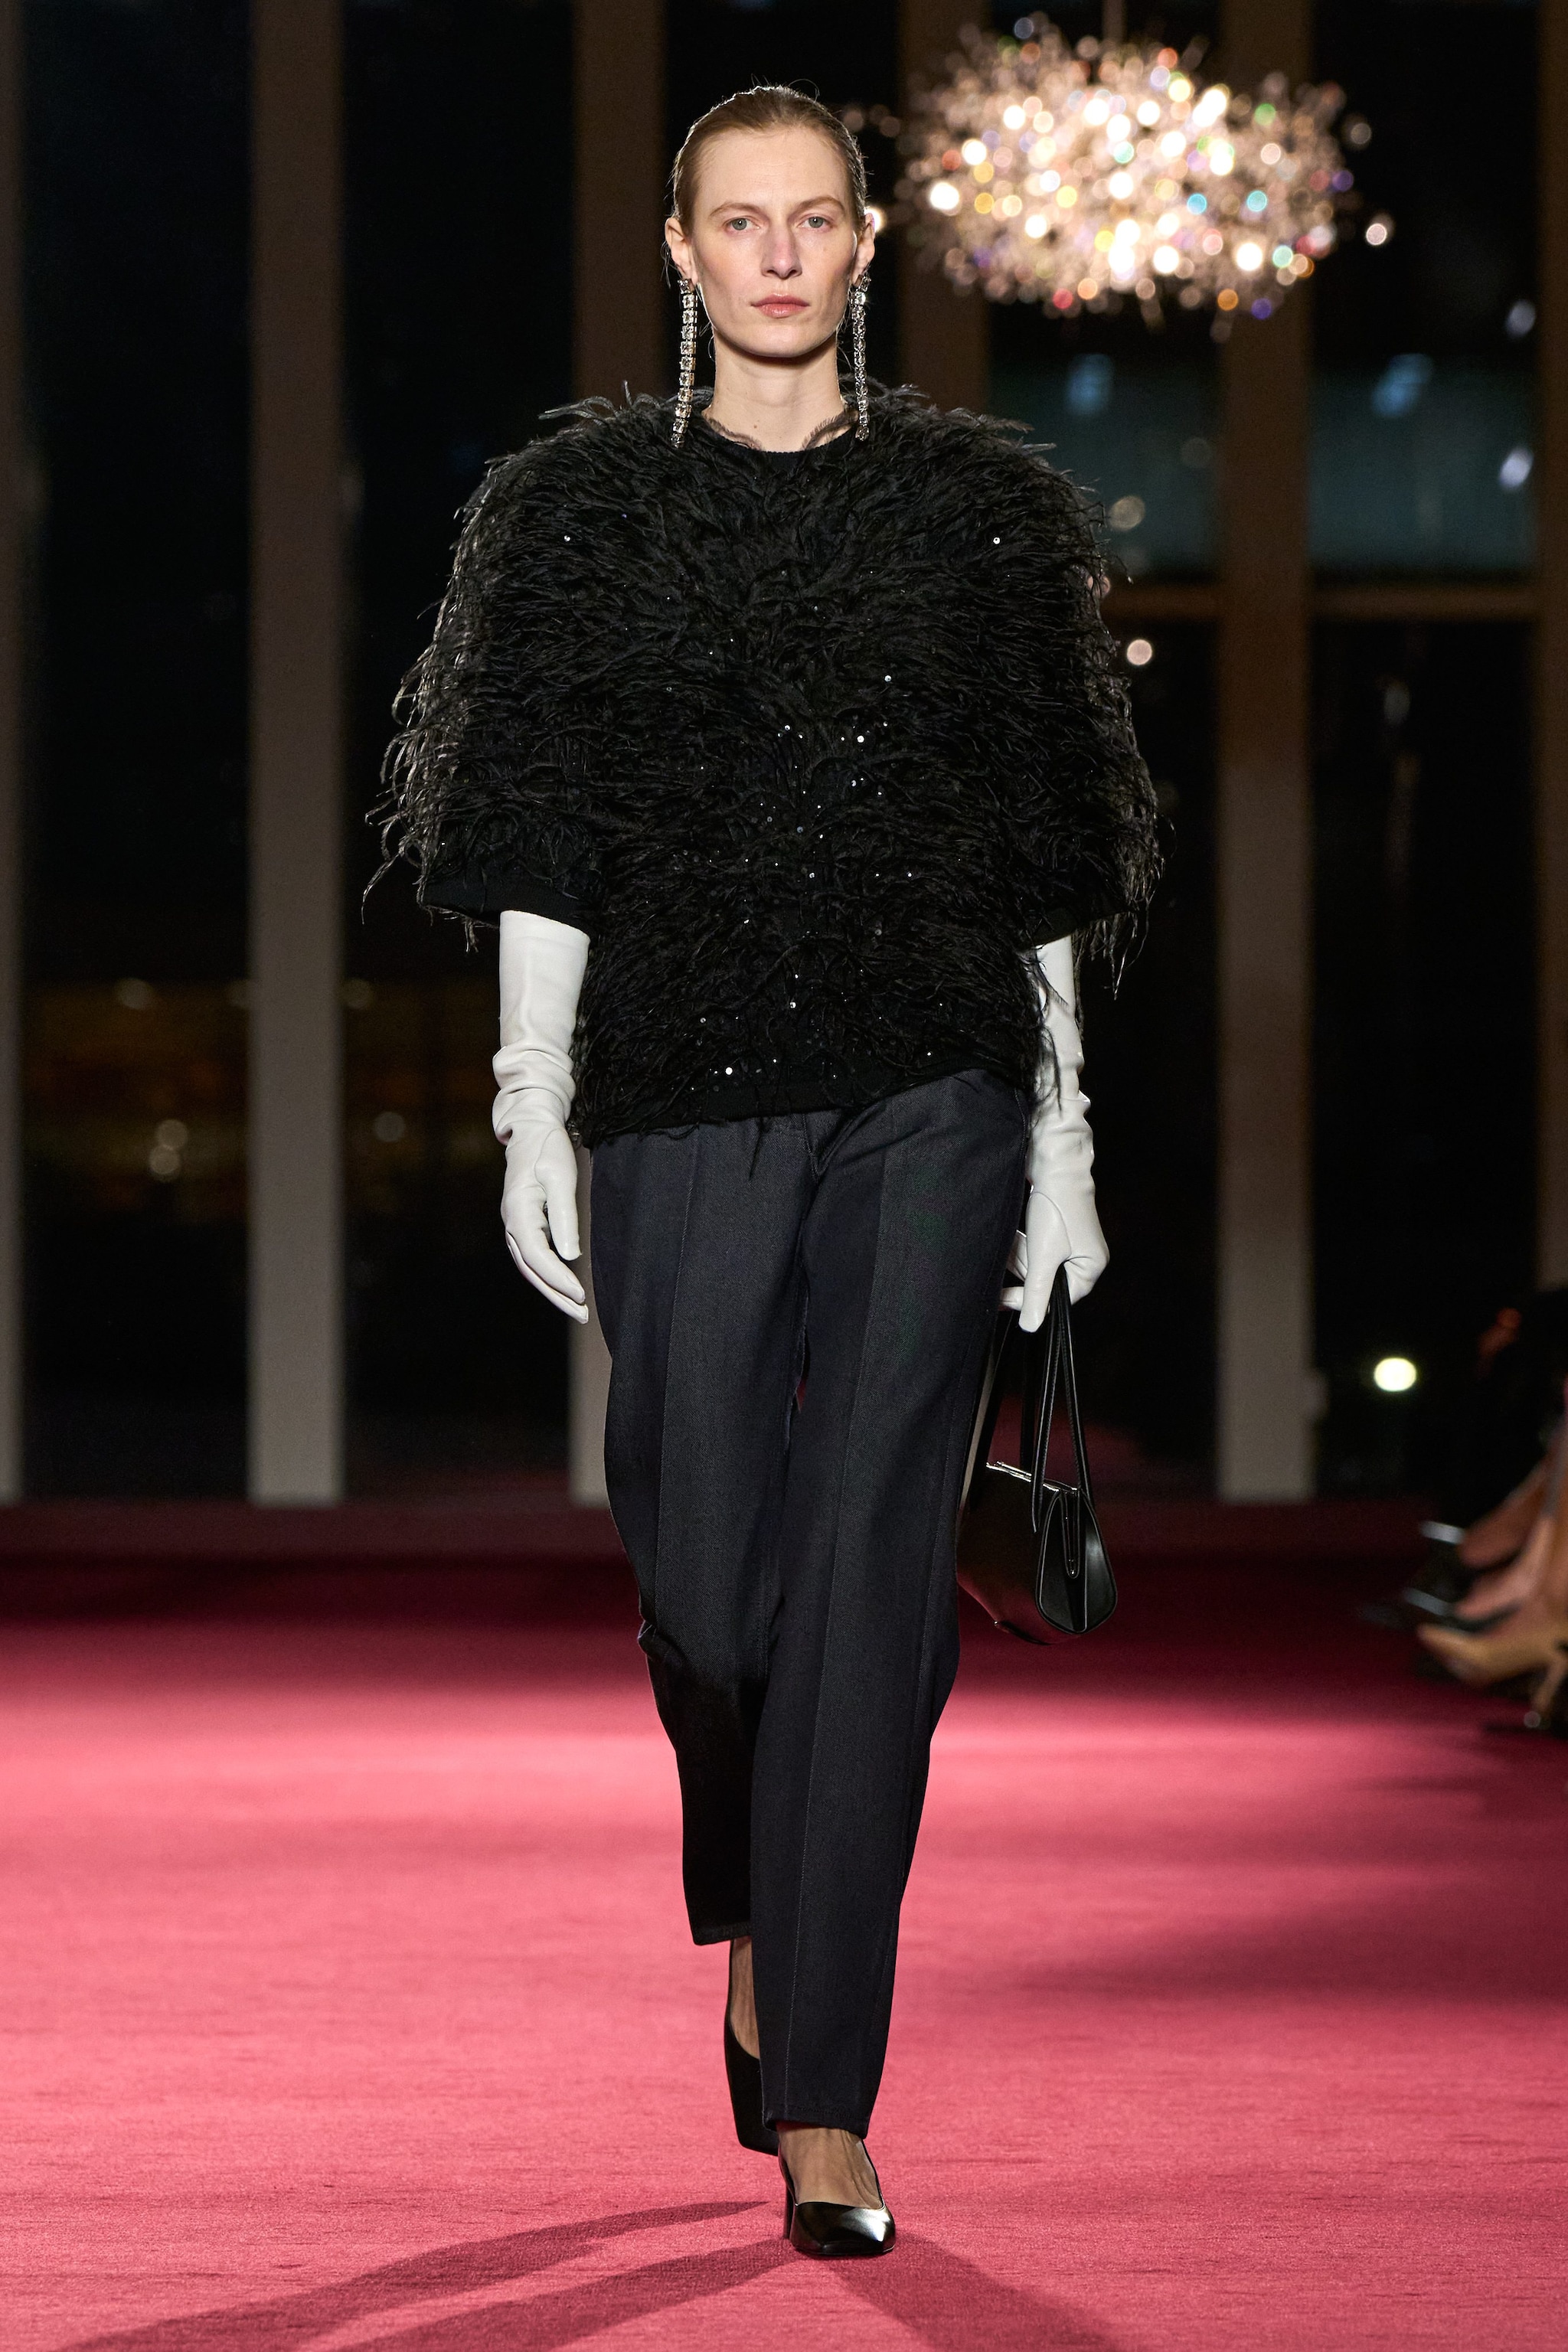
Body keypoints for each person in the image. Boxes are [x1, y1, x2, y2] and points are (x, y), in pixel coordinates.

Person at [377, 84, 1158, 2257]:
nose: (784, 255)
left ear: (870, 241)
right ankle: (753, 1900)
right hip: (678, 1075)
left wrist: (1064, 1132)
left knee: (879, 1565)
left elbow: (1040, 844)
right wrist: (530, 1097)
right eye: (744, 222)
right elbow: (535, 825)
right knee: (714, 1579)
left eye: (818, 219)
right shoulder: (578, 515)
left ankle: (825, 2090)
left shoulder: (976, 517)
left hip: (934, 1078)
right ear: (683, 247)